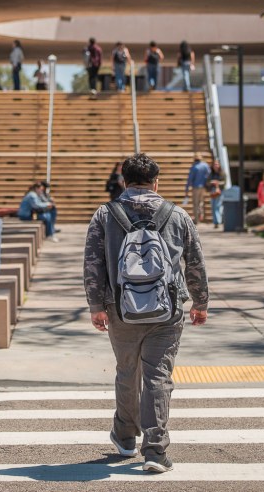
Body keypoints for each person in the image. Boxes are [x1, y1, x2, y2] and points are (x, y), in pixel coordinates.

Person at [84, 153, 209, 474]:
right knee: (158, 375)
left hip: (120, 309)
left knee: (127, 371)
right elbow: (194, 262)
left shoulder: (105, 215)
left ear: (124, 181)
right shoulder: (177, 215)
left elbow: (93, 264)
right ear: (156, 181)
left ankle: (125, 436)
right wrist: (200, 301)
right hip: (167, 310)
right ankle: (154, 449)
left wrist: (96, 305)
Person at [184, 153, 210, 223]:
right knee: (201, 202)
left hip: (196, 187)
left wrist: (187, 189)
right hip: (203, 187)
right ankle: (201, 215)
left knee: (195, 203)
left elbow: (190, 179)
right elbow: (209, 175)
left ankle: (197, 219)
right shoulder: (205, 165)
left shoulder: (194, 167)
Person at [207, 159, 224, 229]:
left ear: (219, 165)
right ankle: (216, 222)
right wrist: (211, 182)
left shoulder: (222, 173)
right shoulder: (211, 174)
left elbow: (224, 183)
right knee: (213, 207)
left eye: (217, 164)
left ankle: (218, 221)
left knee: (217, 206)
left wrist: (217, 182)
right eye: (214, 164)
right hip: (213, 192)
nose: (216, 166)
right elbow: (207, 182)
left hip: (220, 191)